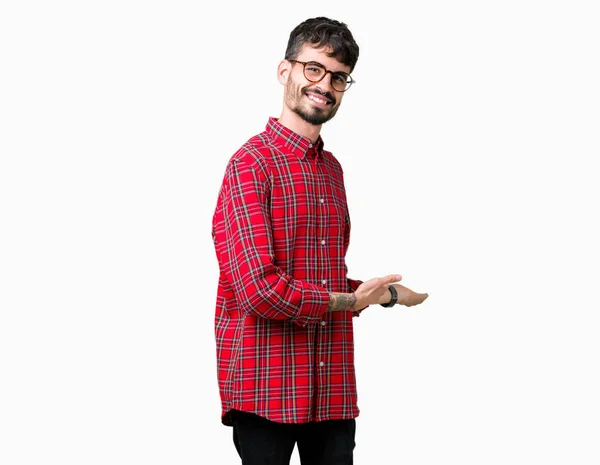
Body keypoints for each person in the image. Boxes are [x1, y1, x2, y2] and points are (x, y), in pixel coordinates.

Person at [211, 16, 429, 465]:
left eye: (338, 76)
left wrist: (386, 294)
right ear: (284, 70)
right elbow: (259, 290)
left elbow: (319, 279)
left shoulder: (331, 171)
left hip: (330, 391)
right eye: (313, 69)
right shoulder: (249, 166)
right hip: (265, 389)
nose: (324, 85)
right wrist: (349, 302)